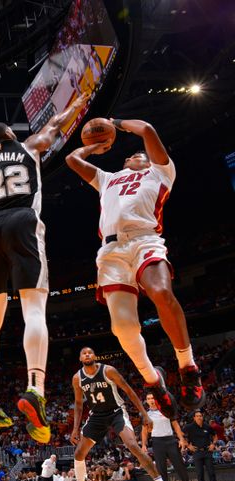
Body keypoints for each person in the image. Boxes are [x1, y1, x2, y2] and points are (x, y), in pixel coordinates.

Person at [0, 92, 90, 443]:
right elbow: (55, 125)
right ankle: (35, 387)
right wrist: (76, 104)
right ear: (9, 135)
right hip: (23, 220)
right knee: (34, 309)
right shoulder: (28, 145)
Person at [65, 118, 205, 418]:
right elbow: (71, 159)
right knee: (123, 328)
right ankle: (154, 383)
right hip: (111, 251)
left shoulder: (161, 172)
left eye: (138, 155)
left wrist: (115, 123)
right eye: (130, 156)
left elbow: (147, 130)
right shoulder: (107, 178)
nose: (133, 157)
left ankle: (188, 367)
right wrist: (93, 146)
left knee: (161, 292)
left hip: (145, 239)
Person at [67, 346, 175, 481]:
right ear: (80, 359)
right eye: (84, 353)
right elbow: (78, 403)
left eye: (90, 352)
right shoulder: (77, 378)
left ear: (95, 356)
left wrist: (144, 414)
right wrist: (75, 429)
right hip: (97, 416)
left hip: (116, 412)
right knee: (78, 454)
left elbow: (129, 391)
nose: (87, 354)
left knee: (132, 445)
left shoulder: (108, 371)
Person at [141, 392, 196, 481]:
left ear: (156, 399)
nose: (151, 400)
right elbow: (144, 431)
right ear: (146, 401)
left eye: (152, 398)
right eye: (149, 398)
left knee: (180, 468)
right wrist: (143, 444)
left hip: (170, 440)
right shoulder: (146, 415)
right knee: (162, 470)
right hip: (157, 442)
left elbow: (175, 425)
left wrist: (181, 439)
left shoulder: (166, 410)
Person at [183, 410, 220, 481]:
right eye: (197, 416)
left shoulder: (207, 426)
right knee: (200, 474)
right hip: (197, 452)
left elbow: (215, 436)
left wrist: (213, 444)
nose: (199, 417)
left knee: (211, 473)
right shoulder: (189, 427)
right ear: (194, 418)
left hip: (207, 451)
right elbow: (180, 435)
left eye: (201, 416)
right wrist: (188, 445)